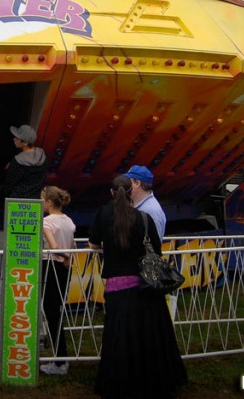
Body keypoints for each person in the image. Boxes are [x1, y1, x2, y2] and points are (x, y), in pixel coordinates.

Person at [88, 175, 187, 399]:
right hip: (145, 288)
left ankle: (122, 384)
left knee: (120, 340)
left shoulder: (103, 214)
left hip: (117, 288)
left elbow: (93, 242)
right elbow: (157, 251)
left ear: (111, 193)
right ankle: (153, 382)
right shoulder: (143, 218)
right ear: (131, 192)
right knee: (149, 338)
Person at [39, 185, 75, 376]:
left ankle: (60, 360)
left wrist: (65, 256)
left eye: (42, 199)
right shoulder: (68, 221)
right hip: (64, 269)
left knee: (52, 312)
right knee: (57, 312)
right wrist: (69, 257)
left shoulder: (47, 223)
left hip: (52, 266)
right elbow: (71, 244)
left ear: (49, 202)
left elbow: (54, 246)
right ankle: (61, 357)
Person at [1, 124, 48, 208]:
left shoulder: (18, 161)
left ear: (25, 143)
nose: (14, 139)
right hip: (35, 199)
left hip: (17, 200)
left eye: (17, 138)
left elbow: (9, 184)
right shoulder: (42, 156)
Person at [123, 164, 168, 240]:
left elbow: (152, 246)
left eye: (128, 181)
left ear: (137, 183)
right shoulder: (132, 204)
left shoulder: (151, 211)